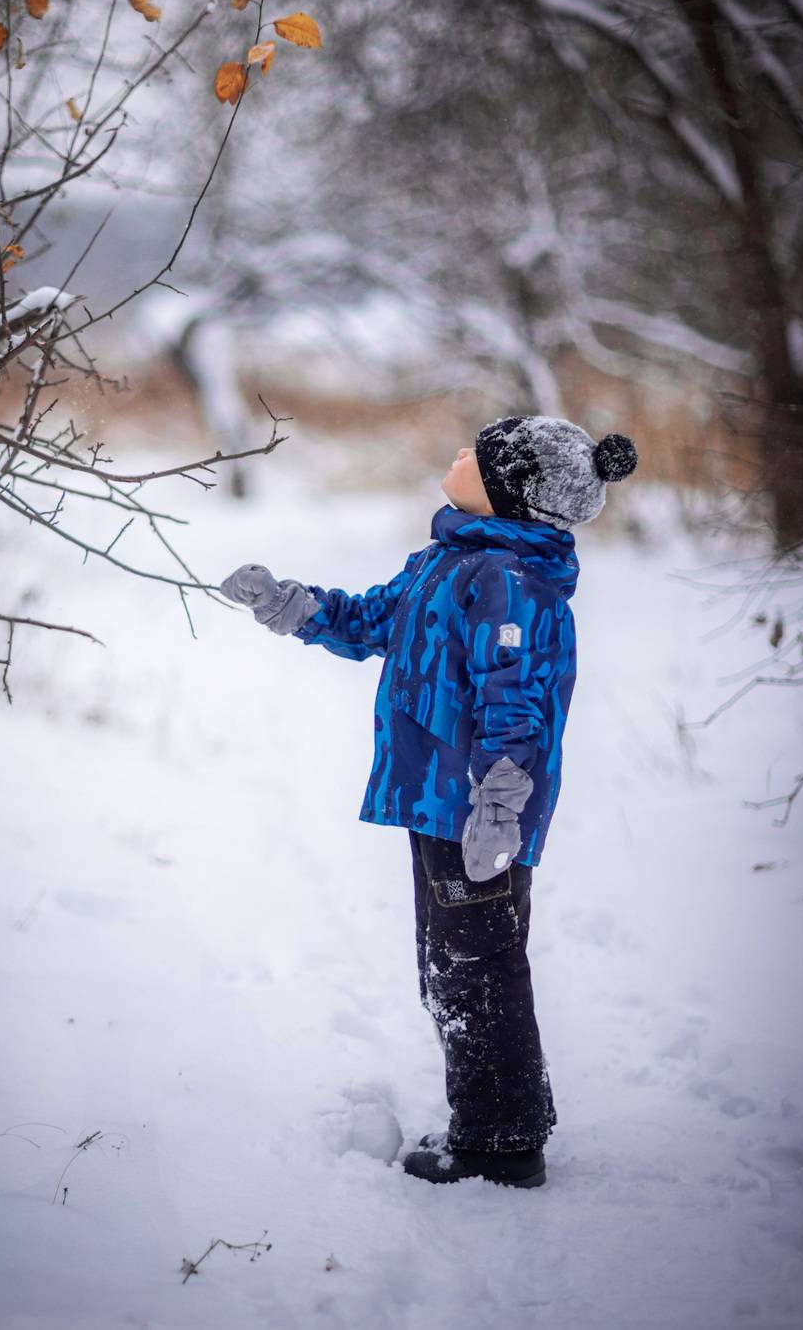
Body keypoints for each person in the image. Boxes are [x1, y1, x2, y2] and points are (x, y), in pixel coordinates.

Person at [220, 414, 638, 1187]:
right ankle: (512, 1112)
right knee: (452, 965)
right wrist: (292, 606)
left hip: (476, 810)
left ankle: (500, 1144)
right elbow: (373, 620)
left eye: (481, 454)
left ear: (510, 492)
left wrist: (498, 806)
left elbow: (518, 700)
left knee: (477, 967)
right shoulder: (448, 560)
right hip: (440, 802)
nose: (460, 453)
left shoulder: (510, 582)